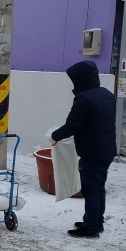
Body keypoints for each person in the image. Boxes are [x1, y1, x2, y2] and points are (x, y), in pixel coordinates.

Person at [49, 60, 116, 238]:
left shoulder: (84, 99)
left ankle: (90, 227)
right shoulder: (107, 94)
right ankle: (96, 221)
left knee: (90, 189)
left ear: (80, 79)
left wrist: (54, 136)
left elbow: (71, 126)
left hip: (92, 152)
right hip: (107, 150)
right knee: (99, 187)